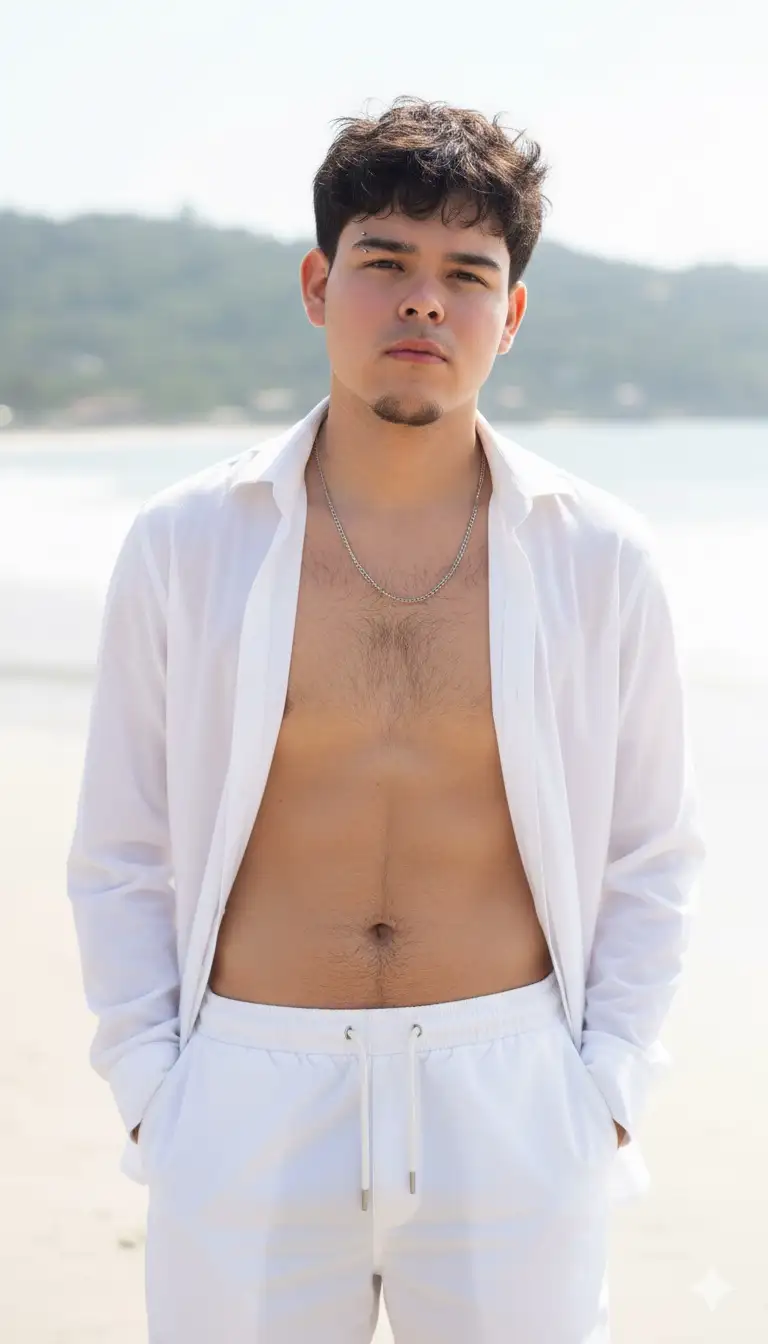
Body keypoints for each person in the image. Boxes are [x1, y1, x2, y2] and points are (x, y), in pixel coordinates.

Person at [66, 96, 706, 1343]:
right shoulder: (188, 544)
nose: (425, 300)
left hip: (511, 1091)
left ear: (509, 316)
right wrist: (155, 1091)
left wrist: (606, 1092)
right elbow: (120, 848)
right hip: (246, 1091)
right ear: (319, 284)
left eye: (468, 274)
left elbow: (653, 854)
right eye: (386, 262)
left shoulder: (600, 558)